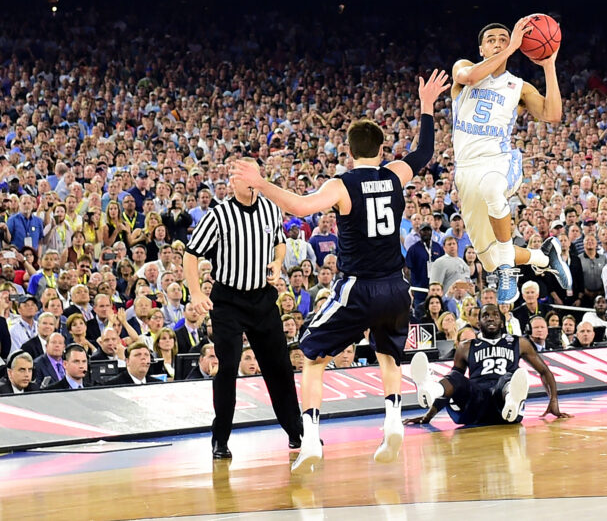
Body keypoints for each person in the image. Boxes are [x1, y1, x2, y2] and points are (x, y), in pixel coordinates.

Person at [232, 70, 448, 469]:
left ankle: (311, 436)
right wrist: (426, 106)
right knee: (388, 356)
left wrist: (261, 183)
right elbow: (423, 153)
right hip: (396, 287)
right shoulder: (396, 174)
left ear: (349, 151)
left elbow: (298, 207)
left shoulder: (342, 184)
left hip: (358, 288)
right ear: (382, 149)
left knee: (312, 355)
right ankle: (393, 420)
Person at [184, 161, 304, 460]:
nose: (250, 183)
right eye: (243, 178)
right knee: (227, 367)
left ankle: (296, 431)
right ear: (232, 183)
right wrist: (197, 291)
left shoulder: (270, 209)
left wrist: (277, 262)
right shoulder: (218, 215)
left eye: (253, 177)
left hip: (262, 298)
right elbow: (191, 253)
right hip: (228, 301)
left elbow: (279, 242)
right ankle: (220, 439)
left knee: (279, 366)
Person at [450, 18, 570, 304]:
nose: (498, 43)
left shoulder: (518, 86)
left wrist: (549, 66)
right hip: (465, 170)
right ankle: (543, 256)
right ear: (481, 48)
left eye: (504, 39)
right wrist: (512, 47)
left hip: (500, 161)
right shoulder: (463, 67)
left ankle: (508, 271)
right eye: (491, 40)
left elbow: (552, 115)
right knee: (489, 258)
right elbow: (467, 77)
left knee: (493, 189)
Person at [406, 303, 570, 426]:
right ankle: (430, 389)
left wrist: (553, 401)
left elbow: (544, 371)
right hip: (474, 405)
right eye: (485, 315)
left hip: (503, 406)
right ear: (478, 322)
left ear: (502, 321)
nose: (490, 318)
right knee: (456, 376)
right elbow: (454, 384)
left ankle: (512, 399)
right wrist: (428, 415)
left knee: (508, 377)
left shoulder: (519, 343)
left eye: (495, 315)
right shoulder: (466, 346)